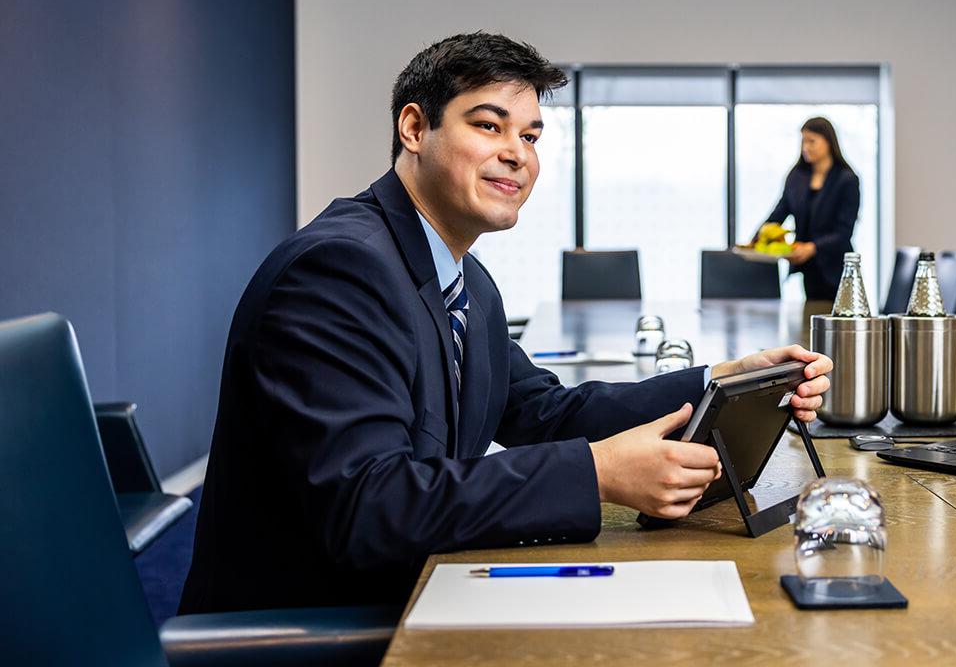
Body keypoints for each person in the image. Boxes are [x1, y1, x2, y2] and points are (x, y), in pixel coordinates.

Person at [179, 33, 832, 614]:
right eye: (489, 126)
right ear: (414, 128)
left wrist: (722, 377)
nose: (517, 154)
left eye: (530, 136)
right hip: (321, 618)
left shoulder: (469, 283)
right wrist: (596, 473)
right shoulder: (338, 270)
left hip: (424, 583)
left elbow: (545, 413)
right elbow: (366, 506)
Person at [755, 116, 861, 332]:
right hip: (809, 270)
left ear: (828, 142)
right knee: (810, 325)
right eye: (803, 141)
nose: (805, 147)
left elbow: (844, 233)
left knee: (836, 327)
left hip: (836, 269)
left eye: (811, 141)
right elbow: (779, 213)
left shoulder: (846, 180)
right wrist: (754, 242)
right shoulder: (797, 177)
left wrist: (811, 248)